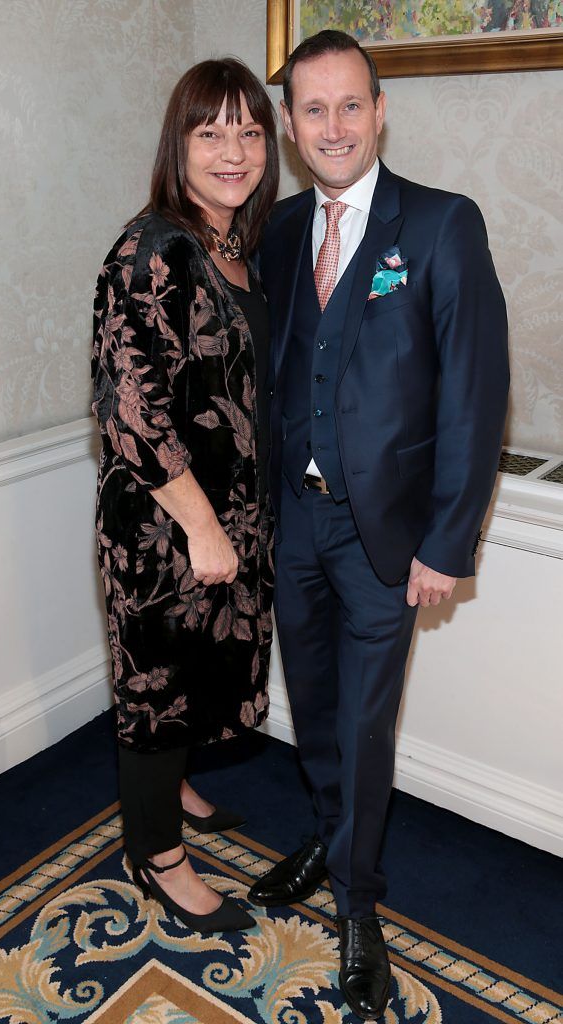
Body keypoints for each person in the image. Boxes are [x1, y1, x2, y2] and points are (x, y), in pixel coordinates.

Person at [248, 30, 509, 1019]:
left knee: (363, 721)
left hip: (385, 537)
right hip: (295, 524)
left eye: (349, 105)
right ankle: (327, 829)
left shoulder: (441, 227)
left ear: (381, 108)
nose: (333, 127)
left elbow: (475, 398)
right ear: (291, 127)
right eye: (312, 111)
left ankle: (358, 903)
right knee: (312, 702)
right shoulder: (277, 230)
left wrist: (448, 540)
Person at [92, 58, 278, 934]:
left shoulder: (235, 242)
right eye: (211, 131)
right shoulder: (151, 247)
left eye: (249, 130)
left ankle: (181, 788)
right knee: (158, 684)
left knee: (203, 672)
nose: (232, 150)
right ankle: (157, 855)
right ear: (180, 141)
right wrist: (202, 525)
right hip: (167, 526)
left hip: (229, 517)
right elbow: (130, 407)